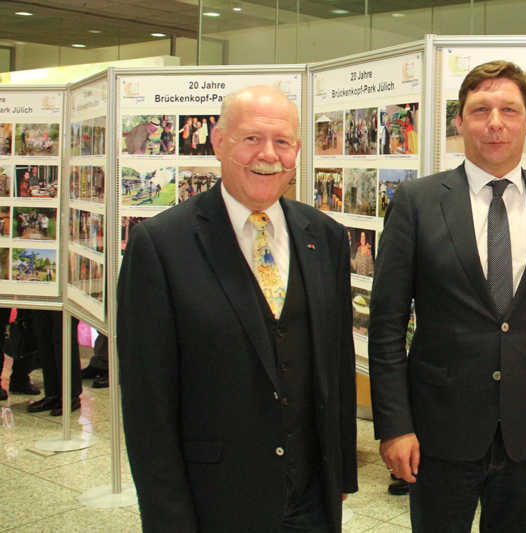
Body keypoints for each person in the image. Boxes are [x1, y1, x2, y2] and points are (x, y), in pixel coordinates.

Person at [369, 60, 526, 532]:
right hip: (439, 431)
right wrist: (394, 425)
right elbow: (387, 325)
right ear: (459, 121)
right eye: (480, 110)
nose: (495, 123)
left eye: (509, 110)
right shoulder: (417, 202)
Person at [117, 85, 358, 533]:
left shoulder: (324, 237)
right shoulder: (161, 246)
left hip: (311, 500)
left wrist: (340, 472)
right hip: (215, 500)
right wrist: (167, 516)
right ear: (219, 141)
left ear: (297, 151)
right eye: (251, 139)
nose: (268, 155)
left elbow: (336, 364)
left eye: (282, 142)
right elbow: (147, 403)